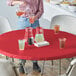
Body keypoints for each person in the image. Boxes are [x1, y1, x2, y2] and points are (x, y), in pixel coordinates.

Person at [7, 0, 44, 74]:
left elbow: (41, 10)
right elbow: (9, 2)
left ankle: (35, 63)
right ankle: (21, 63)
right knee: (22, 44)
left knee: (35, 43)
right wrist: (19, 2)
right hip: (23, 21)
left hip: (35, 22)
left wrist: (35, 17)